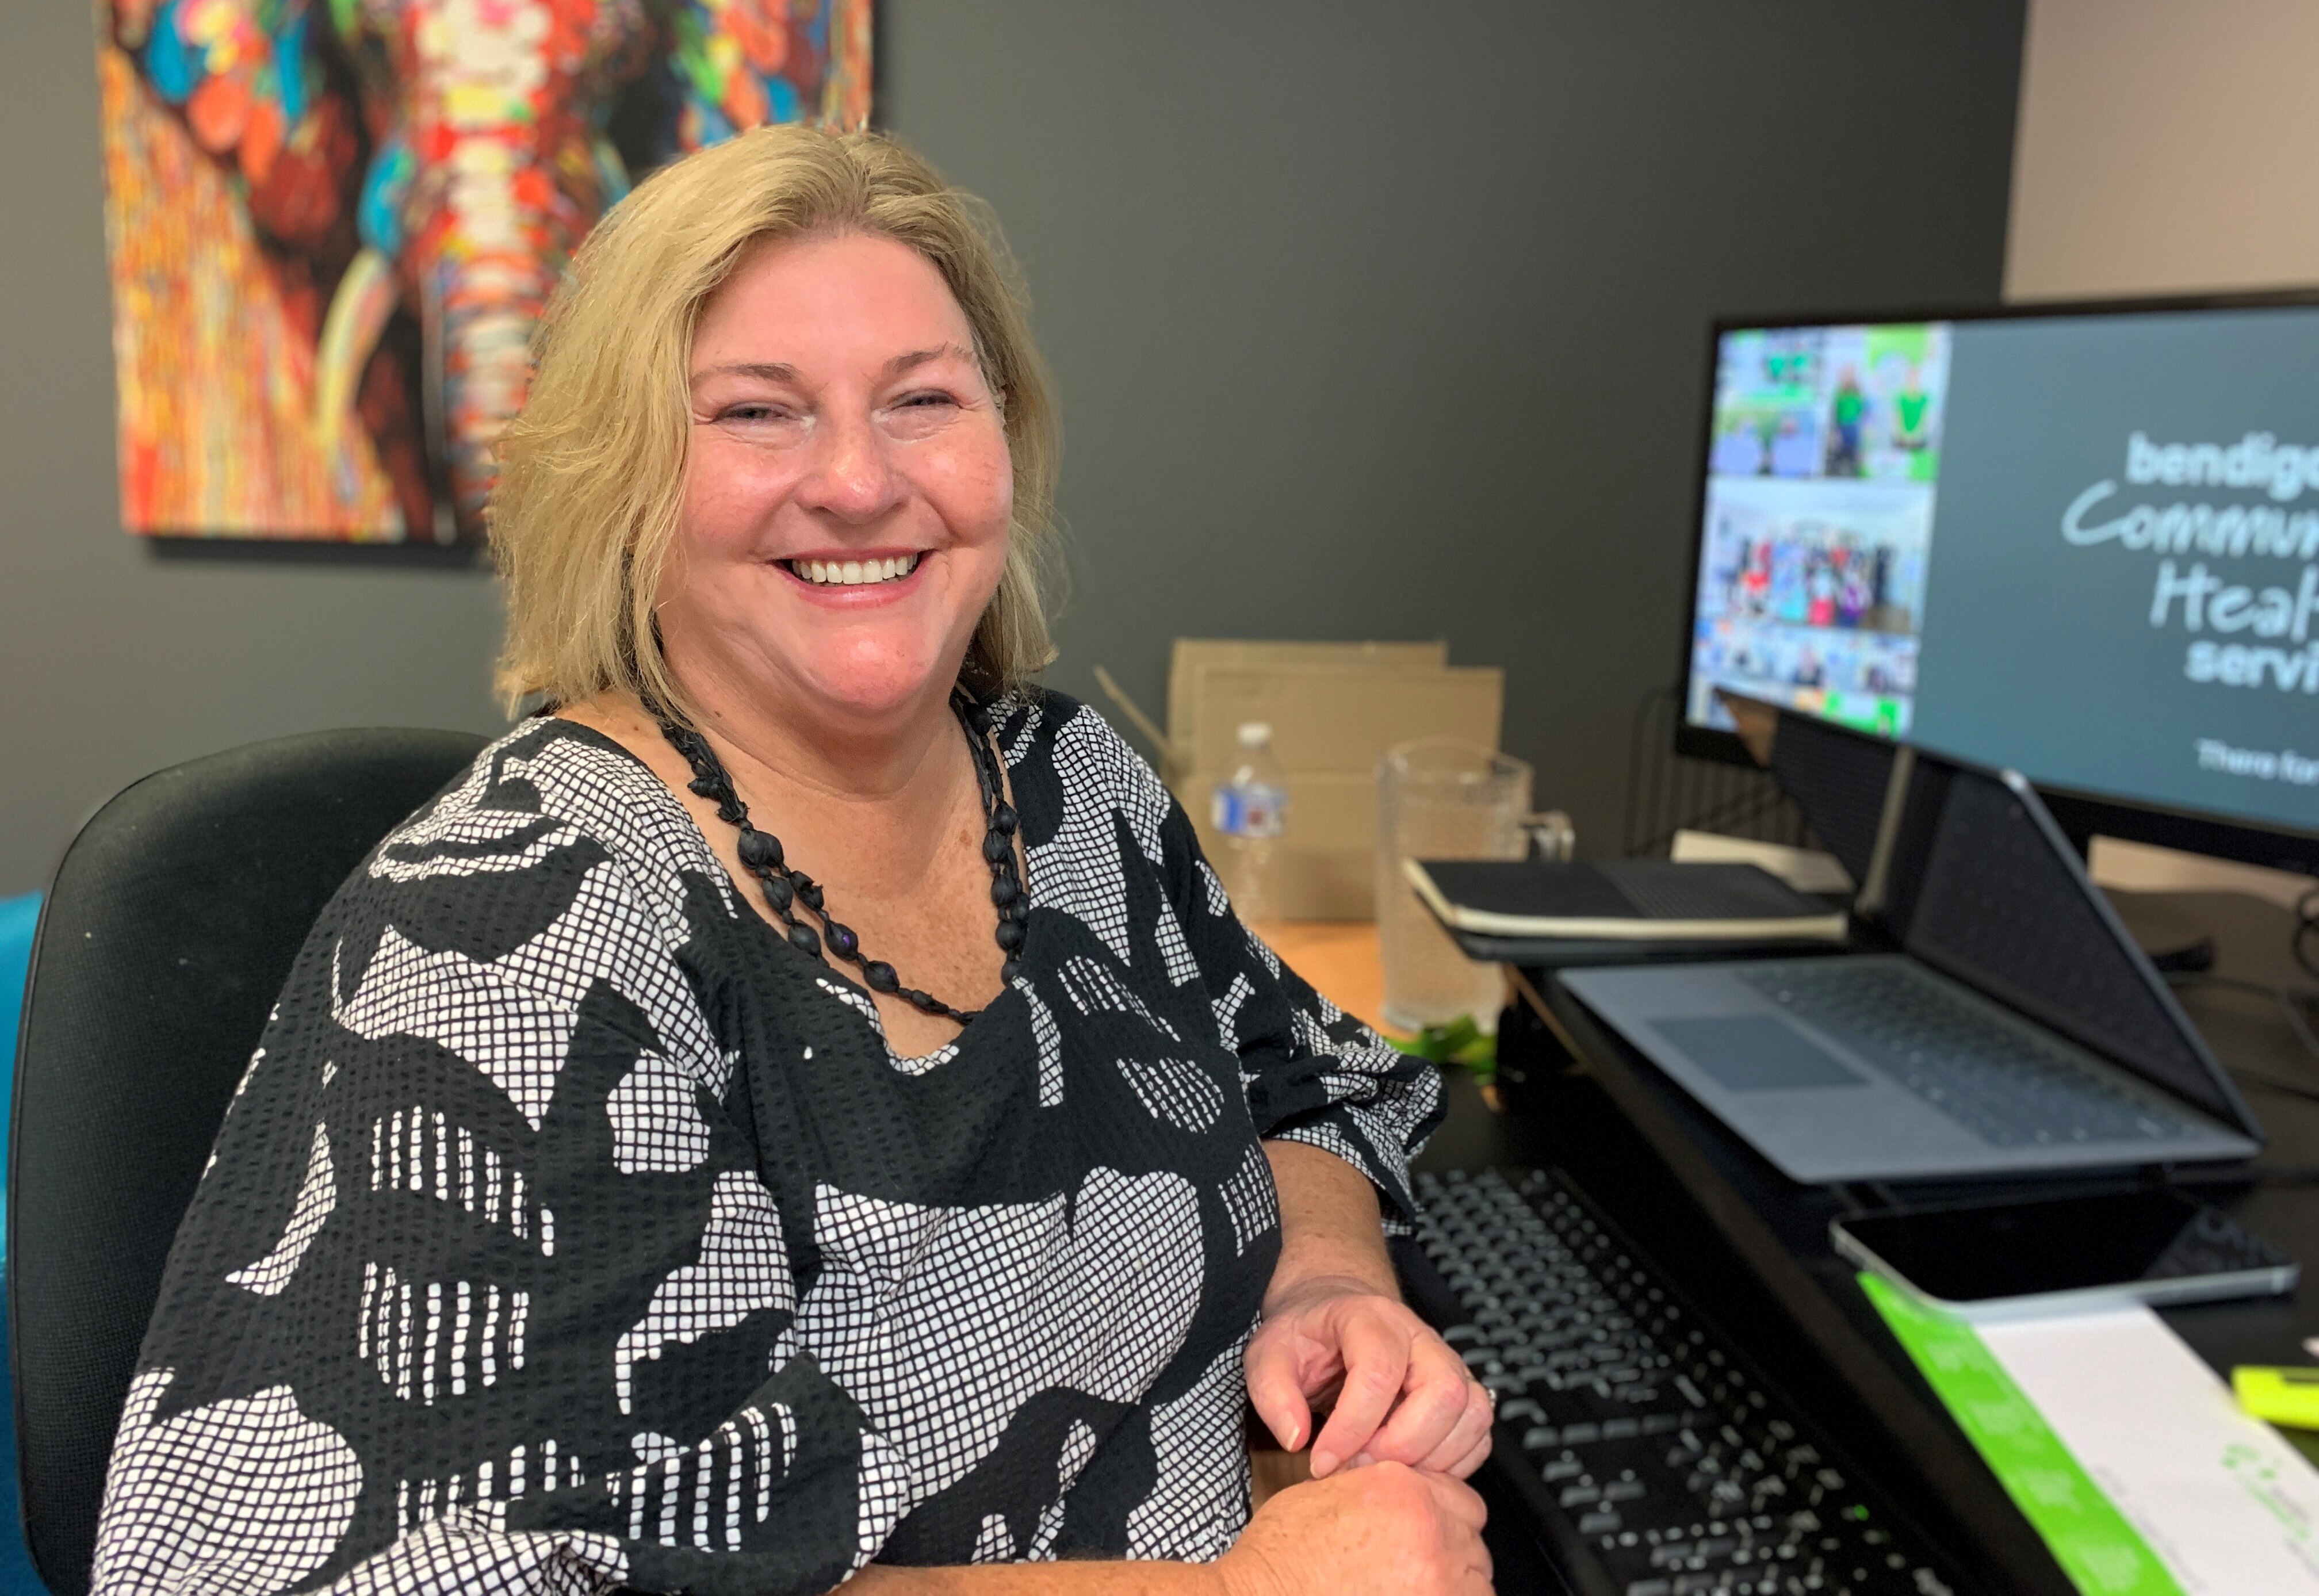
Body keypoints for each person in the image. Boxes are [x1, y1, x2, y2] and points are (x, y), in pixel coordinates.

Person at [88, 126, 1491, 1596]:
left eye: (923, 401)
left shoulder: (1069, 784)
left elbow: (1302, 1084)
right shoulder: (522, 929)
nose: (858, 482)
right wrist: (1229, 1595)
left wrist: (1326, 1282)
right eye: (758, 414)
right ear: (624, 478)